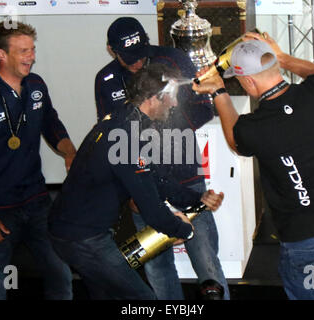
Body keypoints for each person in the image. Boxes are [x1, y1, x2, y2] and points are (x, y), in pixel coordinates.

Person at [192, 31, 314, 300]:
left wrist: (219, 91)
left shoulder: (254, 129)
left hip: (307, 246)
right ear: (274, 67)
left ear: (249, 82)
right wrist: (284, 58)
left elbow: (233, 139)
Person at [48, 63, 224, 300]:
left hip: (75, 232)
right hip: (83, 239)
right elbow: (150, 207)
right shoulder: (127, 136)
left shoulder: (126, 119)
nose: (174, 104)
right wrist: (184, 230)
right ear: (154, 98)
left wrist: (195, 198)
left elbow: (154, 178)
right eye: (170, 98)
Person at [94, 16, 230, 300]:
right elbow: (112, 134)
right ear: (111, 50)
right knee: (157, 266)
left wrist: (170, 128)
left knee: (206, 260)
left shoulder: (174, 59)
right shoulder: (105, 80)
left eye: (141, 55)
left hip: (185, 174)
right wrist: (128, 189)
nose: (137, 63)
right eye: (128, 58)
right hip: (142, 182)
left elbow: (204, 108)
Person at [0, 21, 76, 300]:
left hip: (37, 200)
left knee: (61, 272)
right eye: (22, 51)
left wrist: (69, 151)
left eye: (32, 49)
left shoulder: (36, 85)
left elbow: (50, 122)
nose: (31, 57)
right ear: (1, 54)